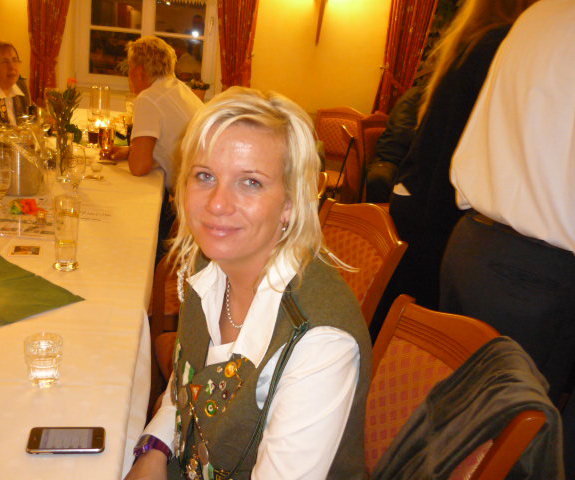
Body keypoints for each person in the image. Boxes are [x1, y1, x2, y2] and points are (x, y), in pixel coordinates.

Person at [125, 88, 372, 480]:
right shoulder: (209, 265)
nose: (217, 204)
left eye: (251, 182)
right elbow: (186, 380)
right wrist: (154, 449)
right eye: (205, 176)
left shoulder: (319, 343)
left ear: (290, 202)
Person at [441, 0, 575, 409]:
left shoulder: (539, 14)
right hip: (536, 277)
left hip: (473, 246)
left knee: (452, 419)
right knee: (512, 433)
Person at [385, 0, 538, 311]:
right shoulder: (495, 45)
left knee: (400, 315)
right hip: (435, 207)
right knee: (416, 319)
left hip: (417, 197)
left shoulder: (471, 43)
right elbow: (453, 153)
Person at [112, 36, 203, 261]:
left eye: (129, 70)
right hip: (202, 190)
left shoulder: (148, 98)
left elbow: (139, 167)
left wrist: (134, 153)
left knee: (129, 222)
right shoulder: (178, 89)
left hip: (191, 206)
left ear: (138, 71)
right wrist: (130, 150)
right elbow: (164, 144)